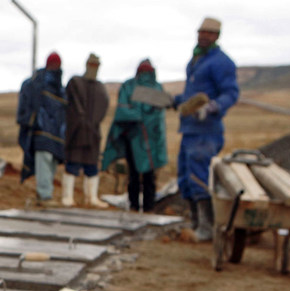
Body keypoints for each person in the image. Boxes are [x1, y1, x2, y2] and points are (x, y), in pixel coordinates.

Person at [171, 16, 239, 241]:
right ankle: (196, 221)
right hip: (189, 129)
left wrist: (212, 107)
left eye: (209, 33)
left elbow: (231, 93)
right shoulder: (197, 61)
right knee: (186, 178)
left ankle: (207, 227)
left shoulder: (221, 62)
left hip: (207, 131)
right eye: (201, 32)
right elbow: (192, 94)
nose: (203, 36)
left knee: (199, 176)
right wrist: (178, 101)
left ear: (217, 36)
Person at [101, 59, 169, 212]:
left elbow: (123, 112)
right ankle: (147, 207)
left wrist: (138, 120)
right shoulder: (156, 87)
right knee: (147, 175)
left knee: (135, 174)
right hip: (147, 139)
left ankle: (135, 205)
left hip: (134, 138)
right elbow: (158, 115)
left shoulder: (130, 86)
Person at [16, 51, 67, 207]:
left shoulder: (59, 87)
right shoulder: (37, 83)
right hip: (41, 132)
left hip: (55, 134)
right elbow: (27, 104)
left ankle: (46, 194)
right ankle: (44, 195)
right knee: (44, 162)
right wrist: (31, 121)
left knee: (50, 164)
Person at [62, 53, 110, 208]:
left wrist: (92, 124)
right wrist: (80, 122)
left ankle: (91, 197)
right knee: (73, 164)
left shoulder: (100, 88)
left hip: (92, 133)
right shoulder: (76, 83)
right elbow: (72, 106)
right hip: (77, 132)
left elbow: (103, 108)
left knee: (92, 166)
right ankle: (67, 196)